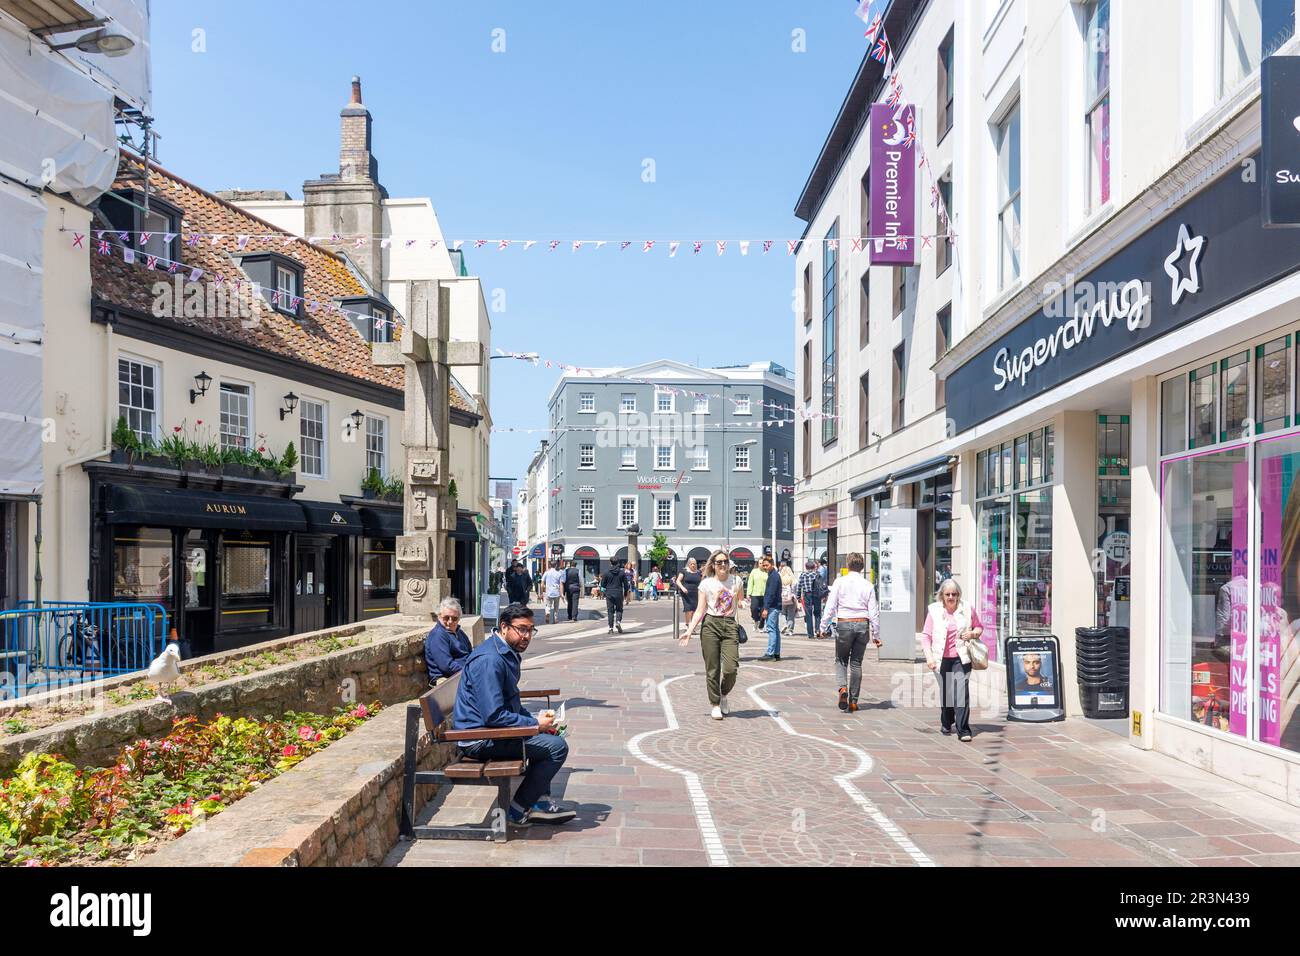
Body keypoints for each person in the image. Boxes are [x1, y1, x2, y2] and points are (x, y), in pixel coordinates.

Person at [451, 602, 575, 827]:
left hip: (490, 731)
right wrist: (533, 724)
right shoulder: (490, 660)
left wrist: (537, 722)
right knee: (556, 748)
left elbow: (511, 702)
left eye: (531, 630)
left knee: (553, 738)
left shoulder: (504, 652)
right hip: (479, 738)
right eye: (522, 629)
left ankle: (538, 802)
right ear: (504, 627)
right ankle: (517, 811)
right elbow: (494, 716)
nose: (527, 636)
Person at [681, 550, 744, 720]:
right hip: (710, 624)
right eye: (719, 562)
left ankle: (723, 693)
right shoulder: (706, 584)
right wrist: (689, 630)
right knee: (713, 668)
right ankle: (715, 704)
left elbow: (740, 598)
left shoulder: (736, 581)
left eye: (725, 561)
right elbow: (700, 610)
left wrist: (743, 602)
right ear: (713, 565)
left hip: (730, 625)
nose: (723, 564)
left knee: (731, 668)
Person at [922, 578, 984, 742]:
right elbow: (926, 636)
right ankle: (947, 721)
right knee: (947, 692)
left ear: (958, 595)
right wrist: (929, 657)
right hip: (940, 659)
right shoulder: (934, 611)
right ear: (942, 595)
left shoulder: (967, 609)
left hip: (961, 658)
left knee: (961, 693)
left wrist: (972, 634)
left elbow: (979, 627)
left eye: (954, 594)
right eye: (947, 594)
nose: (951, 597)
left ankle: (963, 729)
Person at [819, 552, 880, 713]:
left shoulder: (840, 582)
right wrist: (876, 634)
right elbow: (874, 611)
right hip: (862, 624)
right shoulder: (868, 585)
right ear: (862, 567)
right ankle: (853, 701)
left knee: (840, 659)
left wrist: (822, 626)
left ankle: (842, 689)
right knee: (856, 663)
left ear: (847, 565)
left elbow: (830, 606)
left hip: (844, 623)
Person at [424, 597, 471, 685]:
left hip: (463, 674)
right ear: (439, 616)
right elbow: (447, 666)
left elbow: (470, 653)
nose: (450, 621)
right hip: (447, 679)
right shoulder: (438, 635)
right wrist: (470, 672)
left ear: (459, 619)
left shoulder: (459, 633)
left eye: (454, 618)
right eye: (446, 618)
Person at [758, 555, 783, 662]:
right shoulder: (774, 575)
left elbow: (771, 594)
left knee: (771, 629)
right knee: (775, 630)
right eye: (763, 565)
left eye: (767, 565)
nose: (765, 567)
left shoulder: (773, 576)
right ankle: (776, 653)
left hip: (772, 606)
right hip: (775, 606)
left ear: (772, 564)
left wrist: (766, 608)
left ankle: (770, 653)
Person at [674, 558, 702, 638]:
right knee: (688, 609)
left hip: (696, 593)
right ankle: (689, 626)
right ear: (688, 564)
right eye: (691, 564)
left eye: (694, 564)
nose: (693, 565)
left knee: (694, 610)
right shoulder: (684, 571)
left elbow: (702, 581)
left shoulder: (699, 572)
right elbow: (678, 581)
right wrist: (682, 588)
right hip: (686, 593)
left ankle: (691, 625)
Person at [795, 559, 823, 638]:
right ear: (814, 567)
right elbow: (821, 586)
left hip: (807, 594)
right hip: (816, 595)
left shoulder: (803, 575)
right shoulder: (817, 574)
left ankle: (810, 634)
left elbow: (799, 586)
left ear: (806, 567)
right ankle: (817, 630)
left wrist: (798, 596)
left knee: (808, 614)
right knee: (817, 613)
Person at [602, 559, 629, 633]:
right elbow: (626, 585)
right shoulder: (621, 572)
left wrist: (604, 592)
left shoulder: (606, 572)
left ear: (610, 562)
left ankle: (610, 628)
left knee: (610, 611)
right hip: (619, 593)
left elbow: (602, 585)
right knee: (619, 609)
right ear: (617, 563)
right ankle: (618, 622)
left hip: (609, 593)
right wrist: (626, 593)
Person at [746, 557, 769, 630]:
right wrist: (748, 593)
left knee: (763, 611)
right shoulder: (754, 571)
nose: (761, 564)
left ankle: (761, 626)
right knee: (754, 608)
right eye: (760, 563)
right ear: (758, 564)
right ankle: (756, 621)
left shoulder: (767, 572)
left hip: (764, 594)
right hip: (755, 594)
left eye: (763, 563)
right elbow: (750, 582)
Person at [542, 559, 566, 625]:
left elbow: (542, 582)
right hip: (556, 592)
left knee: (548, 605)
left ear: (550, 565)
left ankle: (547, 613)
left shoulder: (546, 573)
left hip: (548, 592)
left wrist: (542, 592)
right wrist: (562, 593)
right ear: (556, 565)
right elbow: (561, 584)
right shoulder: (559, 573)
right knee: (556, 607)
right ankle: (555, 618)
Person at [779, 560, 797, 635]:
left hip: (782, 598)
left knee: (782, 613)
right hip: (791, 598)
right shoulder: (793, 579)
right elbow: (795, 589)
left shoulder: (780, 578)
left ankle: (784, 624)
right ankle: (790, 630)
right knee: (791, 614)